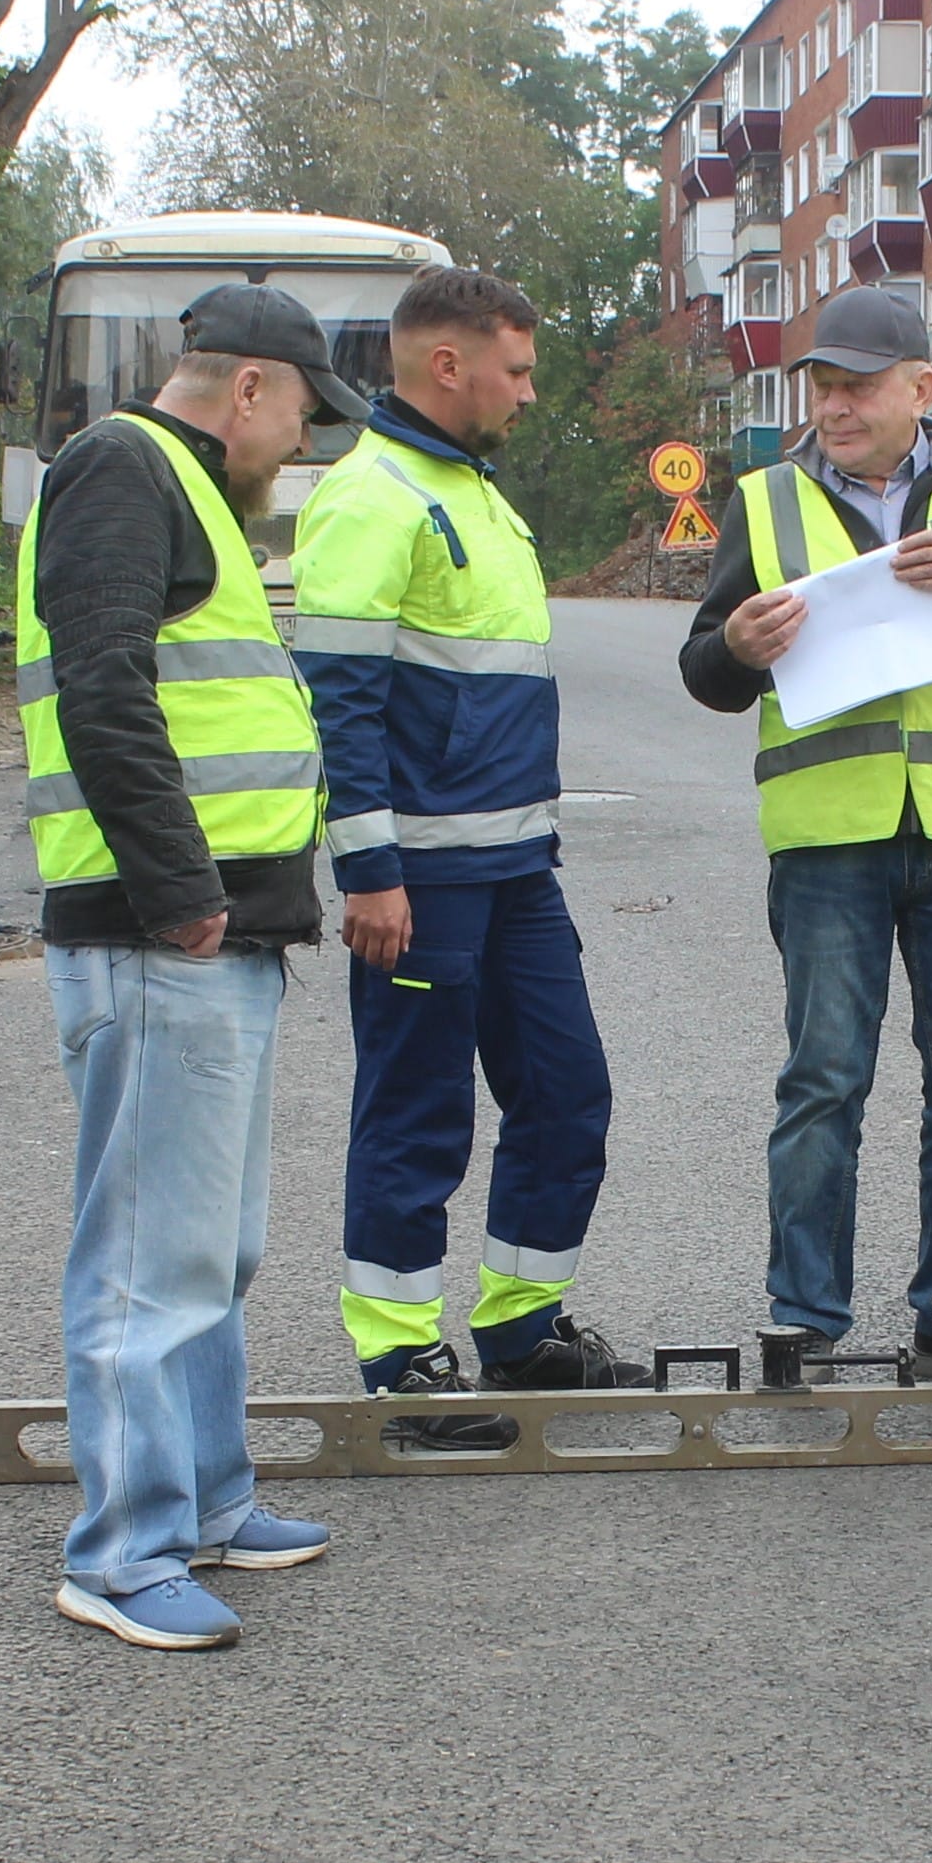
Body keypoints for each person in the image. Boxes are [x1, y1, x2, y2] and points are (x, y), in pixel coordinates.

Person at [16, 284, 363, 1649]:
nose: (301, 444)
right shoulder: (124, 467)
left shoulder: (180, 490)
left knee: (210, 1250)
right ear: (250, 387)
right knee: (148, 1262)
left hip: (210, 932)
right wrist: (178, 891)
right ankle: (120, 1555)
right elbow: (103, 684)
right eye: (303, 415)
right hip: (159, 933)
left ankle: (209, 1501)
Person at [680, 284, 932, 1383]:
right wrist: (737, 645)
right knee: (823, 1080)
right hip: (828, 835)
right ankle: (805, 1317)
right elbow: (705, 671)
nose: (834, 407)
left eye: (857, 387)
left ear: (923, 388)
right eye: (822, 386)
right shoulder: (765, 499)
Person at [295, 265, 629, 1451]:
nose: (529, 393)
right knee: (417, 1114)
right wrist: (369, 871)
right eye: (518, 369)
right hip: (422, 879)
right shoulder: (373, 495)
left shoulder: (473, 491)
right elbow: (341, 700)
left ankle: (521, 1332)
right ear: (450, 364)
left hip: (515, 868)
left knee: (567, 1091)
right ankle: (399, 1364)